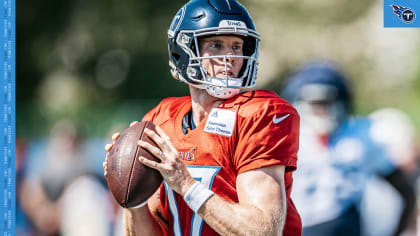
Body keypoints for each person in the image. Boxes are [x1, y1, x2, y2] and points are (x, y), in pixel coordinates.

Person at [103, 0, 302, 235]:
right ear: (182, 51)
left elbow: (263, 230)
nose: (230, 57)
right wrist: (132, 197)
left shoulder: (258, 115)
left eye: (237, 46)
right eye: (216, 45)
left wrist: (186, 185)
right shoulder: (161, 120)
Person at [282, 60, 416, 236]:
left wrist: (398, 231)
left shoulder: (361, 137)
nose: (322, 111)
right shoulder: (285, 138)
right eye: (315, 104)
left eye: (327, 103)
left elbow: (405, 190)